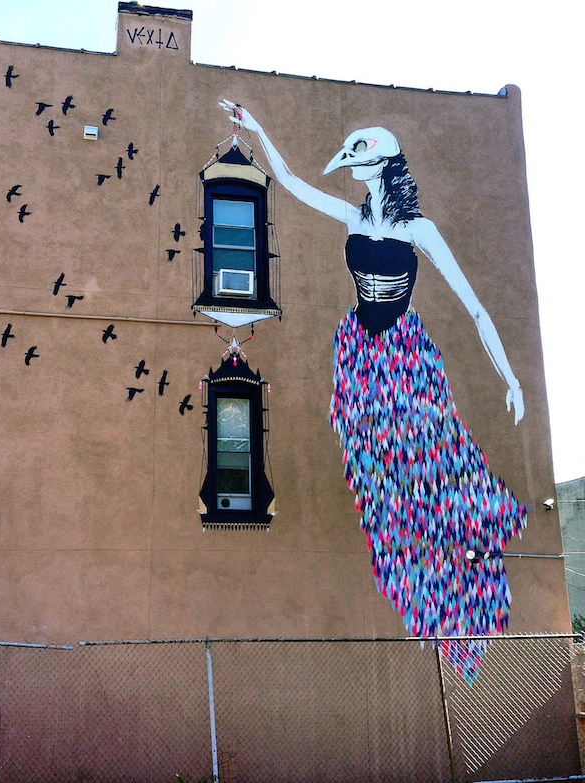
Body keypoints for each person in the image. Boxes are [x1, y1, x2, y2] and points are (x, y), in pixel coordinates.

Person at [220, 100, 527, 681]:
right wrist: (257, 129)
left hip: (405, 353)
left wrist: (510, 378)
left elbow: (476, 308)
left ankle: (460, 575)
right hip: (360, 351)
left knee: (429, 464)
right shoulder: (350, 216)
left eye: (361, 158)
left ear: (385, 165)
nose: (351, 167)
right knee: (379, 479)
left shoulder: (419, 230)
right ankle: (420, 587)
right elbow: (290, 182)